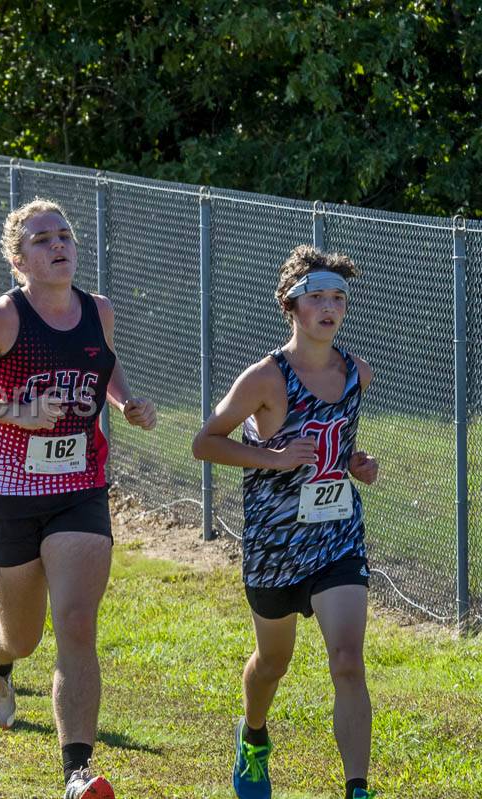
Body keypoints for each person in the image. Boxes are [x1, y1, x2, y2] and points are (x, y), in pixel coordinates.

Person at [0, 198, 157, 799]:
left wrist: (125, 401)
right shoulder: (4, 318)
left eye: (65, 235)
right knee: (21, 635)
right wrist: (15, 413)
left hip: (80, 489)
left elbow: (104, 362)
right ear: (18, 259)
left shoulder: (98, 311)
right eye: (41, 239)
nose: (58, 245)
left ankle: (77, 770)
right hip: (7, 494)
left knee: (76, 622)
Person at [191, 245, 379, 799]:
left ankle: (357, 788)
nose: (329, 307)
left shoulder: (356, 373)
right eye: (316, 296)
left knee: (347, 659)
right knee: (273, 662)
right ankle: (253, 738)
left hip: (337, 533)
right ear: (291, 305)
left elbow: (335, 446)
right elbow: (205, 442)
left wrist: (353, 463)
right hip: (275, 542)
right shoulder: (266, 379)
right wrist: (272, 457)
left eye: (338, 297)